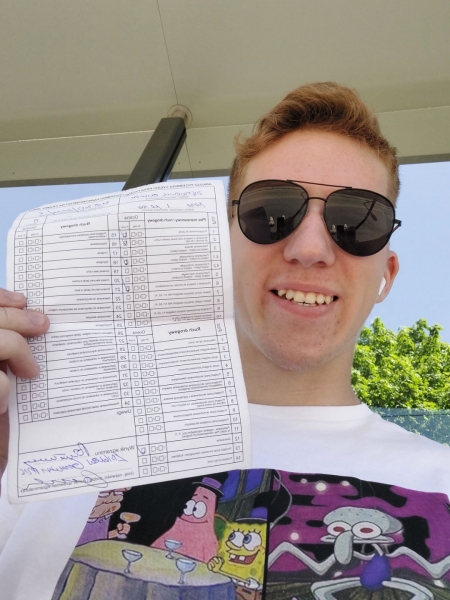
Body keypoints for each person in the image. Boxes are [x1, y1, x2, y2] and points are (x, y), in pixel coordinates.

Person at [2, 82, 450, 600]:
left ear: (386, 276)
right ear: (218, 248)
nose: (310, 248)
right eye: (271, 211)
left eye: (358, 219)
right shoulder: (34, 458)